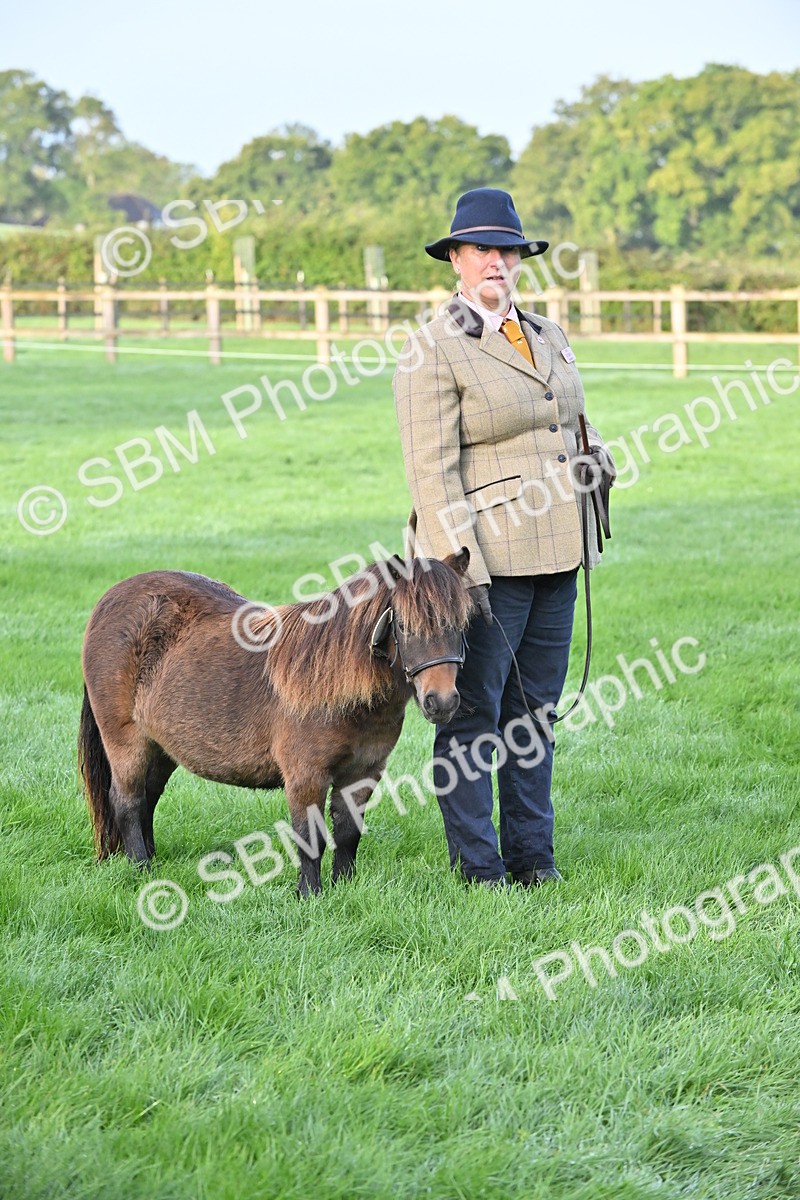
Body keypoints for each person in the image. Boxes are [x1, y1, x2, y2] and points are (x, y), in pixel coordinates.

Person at [393, 187, 614, 889]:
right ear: (455, 259)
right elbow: (432, 473)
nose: (497, 260)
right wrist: (463, 572)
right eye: (482, 249)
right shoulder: (434, 347)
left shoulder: (548, 332)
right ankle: (479, 869)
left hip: (560, 549)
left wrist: (597, 457)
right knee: (475, 714)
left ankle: (533, 858)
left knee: (535, 714)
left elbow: (569, 419)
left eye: (507, 249)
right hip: (485, 561)